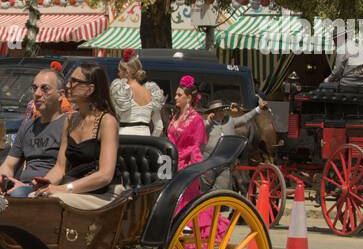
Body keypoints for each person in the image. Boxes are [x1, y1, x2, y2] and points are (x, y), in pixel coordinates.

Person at [30, 63, 121, 210]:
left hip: (102, 194)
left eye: (74, 81)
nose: (67, 85)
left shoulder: (107, 121)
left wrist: (63, 189)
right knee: (32, 199)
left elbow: (105, 175)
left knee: (51, 203)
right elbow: (60, 168)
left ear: (89, 89)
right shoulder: (70, 120)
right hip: (73, 190)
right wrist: (46, 183)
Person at [0, 69, 65, 197]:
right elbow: (9, 164)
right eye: (34, 88)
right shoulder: (27, 126)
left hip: (49, 189)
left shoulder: (68, 125)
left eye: (45, 89)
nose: (37, 94)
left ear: (60, 95)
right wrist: (4, 177)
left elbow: (62, 170)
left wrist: (30, 187)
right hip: (22, 187)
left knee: (18, 194)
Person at [204, 95, 266, 191]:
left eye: (222, 110)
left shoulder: (229, 121)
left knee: (222, 191)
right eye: (218, 110)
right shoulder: (205, 124)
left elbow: (245, 118)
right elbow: (197, 129)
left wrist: (259, 108)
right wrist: (208, 122)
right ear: (212, 113)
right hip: (209, 164)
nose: (221, 112)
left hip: (225, 164)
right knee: (204, 192)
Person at [167, 75, 207, 216]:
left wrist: (195, 171)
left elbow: (196, 147)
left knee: (185, 205)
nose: (176, 97)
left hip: (186, 166)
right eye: (176, 94)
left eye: (179, 95)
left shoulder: (196, 120)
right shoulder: (175, 116)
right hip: (169, 163)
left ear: (188, 98)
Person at [110, 53, 166, 136]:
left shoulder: (121, 90)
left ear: (127, 72)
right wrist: (151, 142)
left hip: (125, 138)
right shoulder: (151, 91)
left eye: (119, 71)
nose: (118, 74)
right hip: (146, 139)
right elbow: (159, 127)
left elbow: (113, 118)